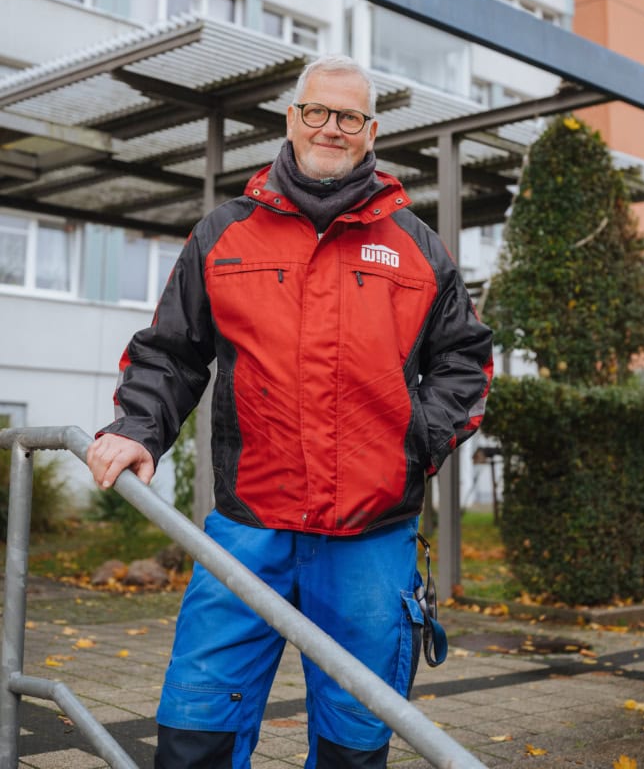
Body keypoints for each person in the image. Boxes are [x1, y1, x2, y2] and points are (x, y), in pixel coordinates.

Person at [87, 54, 493, 769]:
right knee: (195, 729)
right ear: (291, 118)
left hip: (371, 538)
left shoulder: (417, 248)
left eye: (348, 117)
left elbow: (465, 363)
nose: (330, 128)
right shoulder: (223, 234)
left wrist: (413, 441)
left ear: (370, 132)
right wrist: (136, 429)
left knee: (355, 741)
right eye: (317, 111)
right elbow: (170, 354)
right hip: (247, 531)